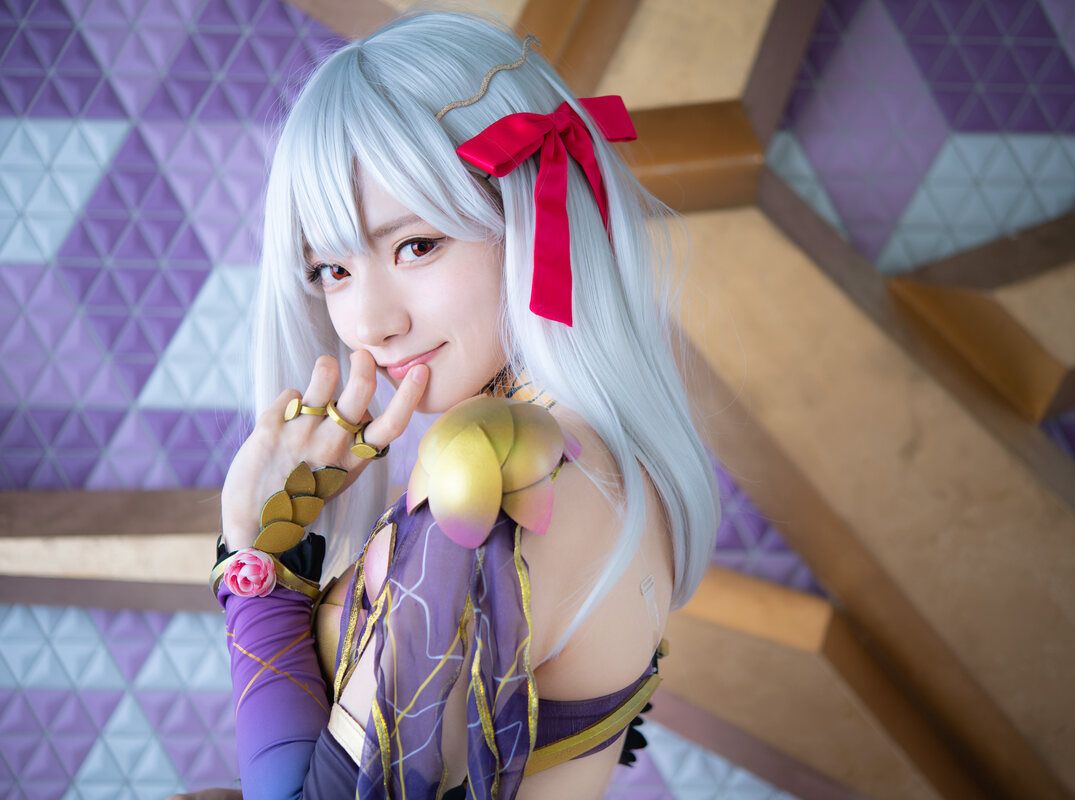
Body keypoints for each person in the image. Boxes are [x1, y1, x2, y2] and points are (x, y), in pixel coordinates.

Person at [174, 5, 719, 798]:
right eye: (333, 269)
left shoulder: (499, 466)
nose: (371, 322)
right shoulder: (608, 457)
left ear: (533, 217)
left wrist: (258, 565)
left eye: (417, 245)